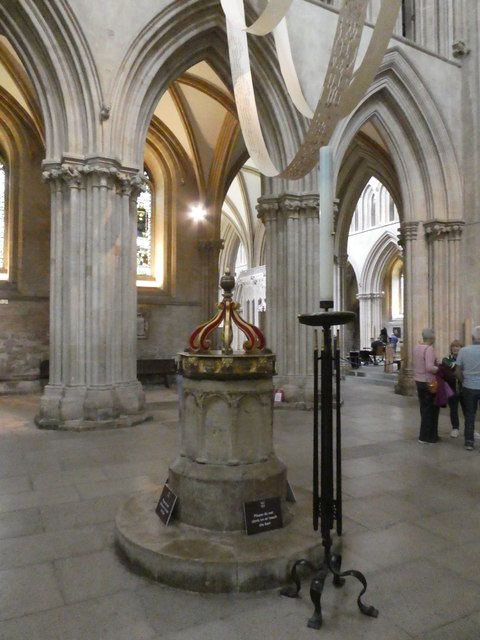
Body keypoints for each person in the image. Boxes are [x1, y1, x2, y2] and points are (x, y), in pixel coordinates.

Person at [413, 328, 440, 444]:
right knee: (431, 409)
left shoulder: (417, 347)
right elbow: (429, 367)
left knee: (424, 408)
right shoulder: (429, 349)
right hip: (428, 382)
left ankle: (427, 435)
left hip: (418, 381)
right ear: (432, 338)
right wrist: (439, 368)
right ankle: (426, 436)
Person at [455, 326, 480, 451]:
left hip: (469, 387)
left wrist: (464, 381)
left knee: (469, 414)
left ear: (472, 337)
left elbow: (457, 371)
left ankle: (469, 441)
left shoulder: (464, 351)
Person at [438, 340, 465, 439]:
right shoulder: (446, 359)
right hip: (452, 388)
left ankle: (470, 429)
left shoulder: (464, 359)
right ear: (451, 349)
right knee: (453, 409)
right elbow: (453, 368)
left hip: (464, 388)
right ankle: (455, 428)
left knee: (468, 410)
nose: (456, 349)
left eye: (458, 347)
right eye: (454, 347)